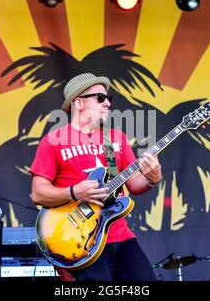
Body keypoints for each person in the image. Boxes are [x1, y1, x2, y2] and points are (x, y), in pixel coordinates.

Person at [29, 73, 163, 281]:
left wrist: (152, 179)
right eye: (100, 98)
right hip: (81, 241)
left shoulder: (116, 138)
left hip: (120, 234)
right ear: (79, 102)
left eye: (109, 98)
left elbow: (134, 185)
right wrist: (74, 192)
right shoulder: (53, 140)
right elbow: (38, 193)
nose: (108, 103)